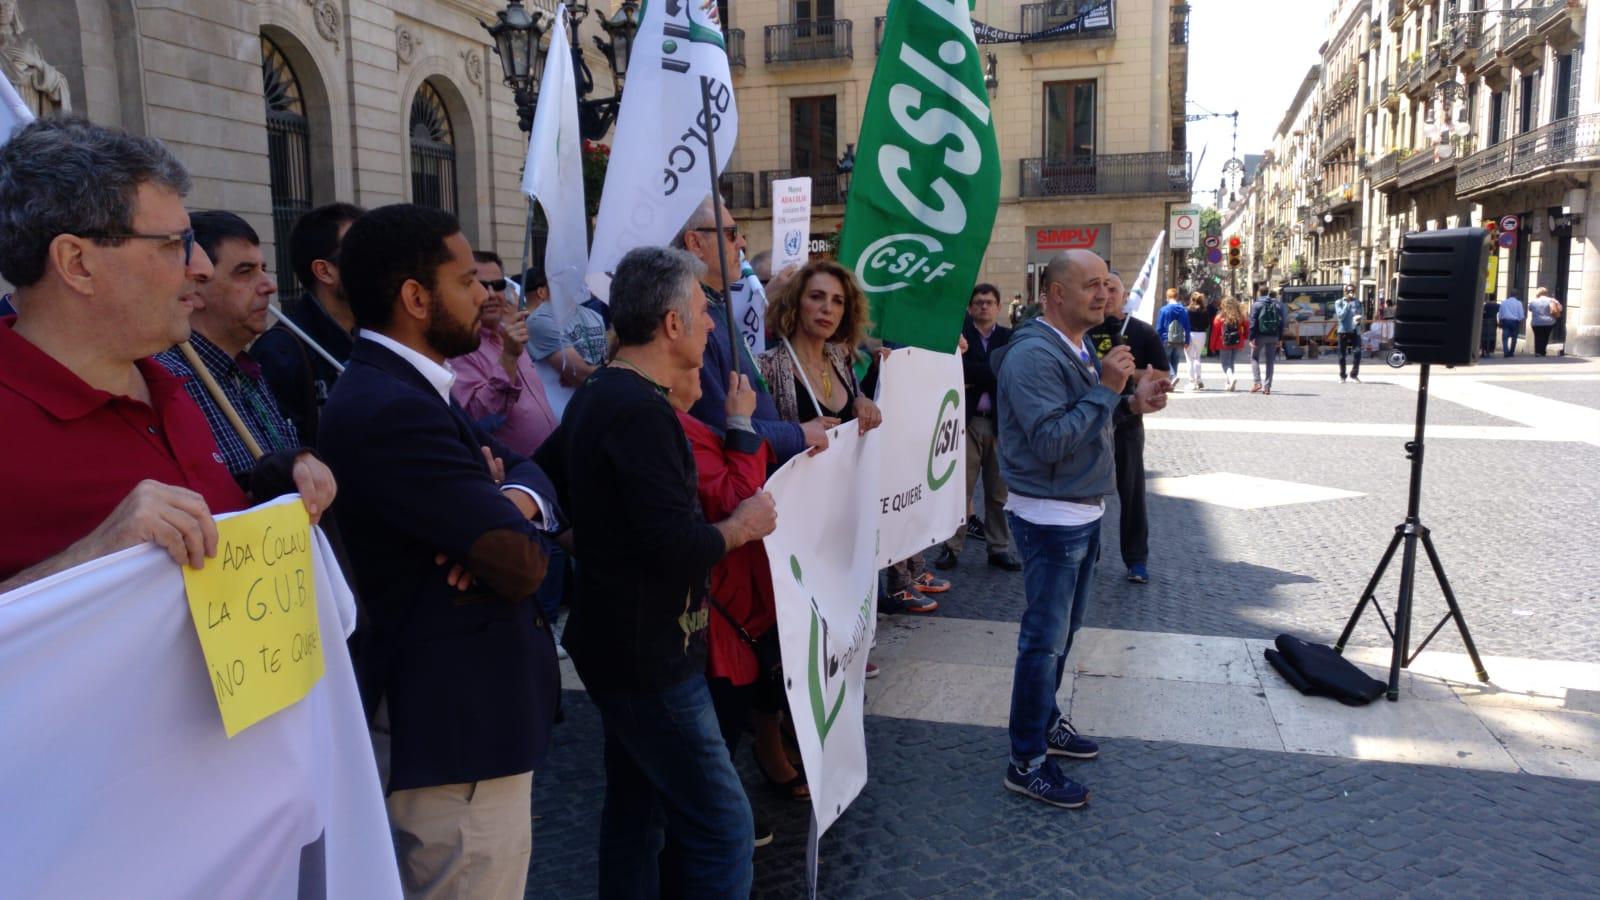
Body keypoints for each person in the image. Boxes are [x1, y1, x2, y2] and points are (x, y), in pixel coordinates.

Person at [318, 204, 562, 900]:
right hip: (454, 742)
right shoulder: (390, 405)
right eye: (466, 282)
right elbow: (521, 563)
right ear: (416, 298)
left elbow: (531, 469)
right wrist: (502, 520)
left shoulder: (414, 391)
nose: (487, 297)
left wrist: (508, 501)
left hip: (470, 728)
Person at [0, 116, 334, 591]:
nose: (199, 267)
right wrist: (93, 556)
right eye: (177, 243)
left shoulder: (169, 379)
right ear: (78, 264)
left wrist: (276, 480)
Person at [536, 246, 777, 898]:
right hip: (651, 656)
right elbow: (676, 548)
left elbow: (547, 480)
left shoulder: (600, 392)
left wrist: (600, 544)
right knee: (723, 828)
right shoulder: (643, 412)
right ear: (671, 324)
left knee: (637, 812)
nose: (710, 327)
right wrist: (743, 526)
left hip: (617, 641)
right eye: (703, 312)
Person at [993, 249, 1170, 809]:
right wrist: (1109, 388)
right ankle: (1026, 760)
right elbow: (1049, 441)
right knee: (1042, 645)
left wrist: (1130, 402)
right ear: (1055, 295)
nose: (1103, 293)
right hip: (1050, 519)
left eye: (1105, 284)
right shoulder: (1031, 356)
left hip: (1081, 511)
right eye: (1090, 285)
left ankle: (1045, 722)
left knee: (1062, 636)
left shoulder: (1074, 346)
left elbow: (1086, 420)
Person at [153, 211, 303, 486]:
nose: (269, 286)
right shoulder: (169, 382)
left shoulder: (246, 373)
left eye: (263, 269)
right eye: (245, 272)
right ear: (194, 288)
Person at [676, 194, 819, 463]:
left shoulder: (717, 308)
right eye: (731, 234)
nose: (741, 243)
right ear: (695, 242)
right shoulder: (695, 323)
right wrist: (798, 434)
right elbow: (719, 427)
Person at [253, 202, 365, 440]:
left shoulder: (374, 338)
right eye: (365, 252)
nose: (383, 265)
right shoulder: (280, 355)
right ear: (325, 271)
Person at [1088, 273, 1169, 584]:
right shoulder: (1084, 329)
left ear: (1123, 296)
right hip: (1091, 419)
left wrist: (1123, 373)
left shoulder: (1141, 331)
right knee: (1088, 492)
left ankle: (1136, 560)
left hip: (1128, 422)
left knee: (1132, 492)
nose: (1105, 293)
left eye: (1112, 288)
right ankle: (1088, 552)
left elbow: (1161, 371)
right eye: (1099, 286)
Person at [934, 283, 1019, 572]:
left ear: (998, 307)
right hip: (964, 422)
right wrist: (990, 372)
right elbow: (957, 371)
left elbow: (1010, 374)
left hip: (999, 424)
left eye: (989, 302)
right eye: (978, 302)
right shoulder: (958, 337)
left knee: (998, 492)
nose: (984, 306)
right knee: (960, 489)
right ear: (970, 308)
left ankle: (999, 548)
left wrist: (976, 373)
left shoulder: (1010, 338)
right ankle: (951, 547)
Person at [450, 250, 558, 454]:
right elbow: (479, 416)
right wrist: (508, 358)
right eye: (481, 285)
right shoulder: (460, 346)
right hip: (512, 473)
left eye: (498, 285)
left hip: (548, 462)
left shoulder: (507, 334)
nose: (490, 294)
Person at [525, 266, 609, 420]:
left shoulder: (594, 316)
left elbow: (603, 361)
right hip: (564, 421)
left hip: (598, 414)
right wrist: (603, 371)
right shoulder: (540, 320)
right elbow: (580, 374)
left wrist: (598, 370)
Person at [1208, 296, 1250, 392]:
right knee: (1231, 363)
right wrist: (1245, 336)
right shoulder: (1240, 316)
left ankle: (1231, 379)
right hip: (1237, 342)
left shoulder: (1220, 317)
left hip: (1224, 342)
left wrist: (1212, 346)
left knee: (1225, 364)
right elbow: (1247, 326)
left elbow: (1215, 333)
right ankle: (1229, 383)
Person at [1250, 289, 1287, 394]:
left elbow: (1253, 322)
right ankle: (1267, 387)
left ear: (1259, 293)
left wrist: (1251, 338)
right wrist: (1280, 338)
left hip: (1259, 335)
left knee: (1254, 357)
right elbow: (1281, 323)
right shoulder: (1277, 305)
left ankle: (1257, 382)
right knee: (1270, 361)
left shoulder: (1256, 305)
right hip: (1273, 336)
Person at [1154, 288, 1190, 389]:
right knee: (1175, 360)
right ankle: (1171, 383)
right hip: (1179, 339)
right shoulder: (1183, 310)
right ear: (1177, 297)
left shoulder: (1164, 310)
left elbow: (1159, 327)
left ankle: (1173, 376)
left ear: (1167, 297)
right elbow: (1187, 326)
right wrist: (1187, 340)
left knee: (1165, 360)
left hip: (1166, 338)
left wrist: (1157, 339)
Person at [1334, 289, 1362, 383]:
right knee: (1342, 354)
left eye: (1353, 291)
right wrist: (1347, 305)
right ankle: (1343, 376)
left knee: (1357, 352)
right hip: (1343, 330)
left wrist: (1359, 318)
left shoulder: (1358, 302)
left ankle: (1354, 375)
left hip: (1355, 330)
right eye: (1349, 291)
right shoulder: (1339, 302)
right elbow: (1340, 316)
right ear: (1345, 292)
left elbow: (1361, 314)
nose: (1351, 293)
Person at [1183, 291, 1208, 389]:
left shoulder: (1188, 310)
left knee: (1189, 359)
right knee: (1197, 357)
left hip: (1190, 333)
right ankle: (1199, 379)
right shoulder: (1204, 310)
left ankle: (1191, 381)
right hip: (1201, 334)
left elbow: (1184, 323)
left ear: (1191, 299)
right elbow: (1207, 324)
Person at [1528, 287, 1561, 357]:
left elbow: (1530, 309)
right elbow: (1560, 308)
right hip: (1549, 322)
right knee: (1546, 336)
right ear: (1546, 293)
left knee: (1537, 337)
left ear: (1538, 293)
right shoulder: (1552, 300)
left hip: (1536, 323)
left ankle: (1538, 352)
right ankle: (1543, 351)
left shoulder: (1533, 301)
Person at [1498, 291, 1525, 357]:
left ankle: (1505, 351)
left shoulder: (1504, 302)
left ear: (1510, 295)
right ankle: (1511, 352)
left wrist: (1500, 320)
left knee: (1505, 337)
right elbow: (1521, 314)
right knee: (1514, 337)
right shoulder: (1519, 303)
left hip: (1505, 321)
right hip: (1515, 321)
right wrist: (1521, 320)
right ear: (1517, 296)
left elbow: (1500, 313)